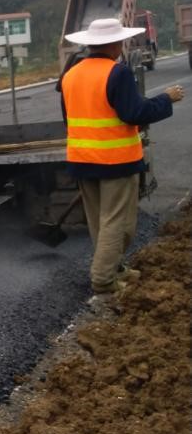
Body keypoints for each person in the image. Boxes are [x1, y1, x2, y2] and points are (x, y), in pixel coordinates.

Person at [57, 17, 183, 294]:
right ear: (115, 44)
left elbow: (70, 119)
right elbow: (134, 114)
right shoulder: (117, 73)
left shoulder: (70, 75)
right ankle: (104, 279)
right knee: (118, 222)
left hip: (81, 159)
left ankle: (115, 268)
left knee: (98, 221)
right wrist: (166, 99)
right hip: (115, 161)